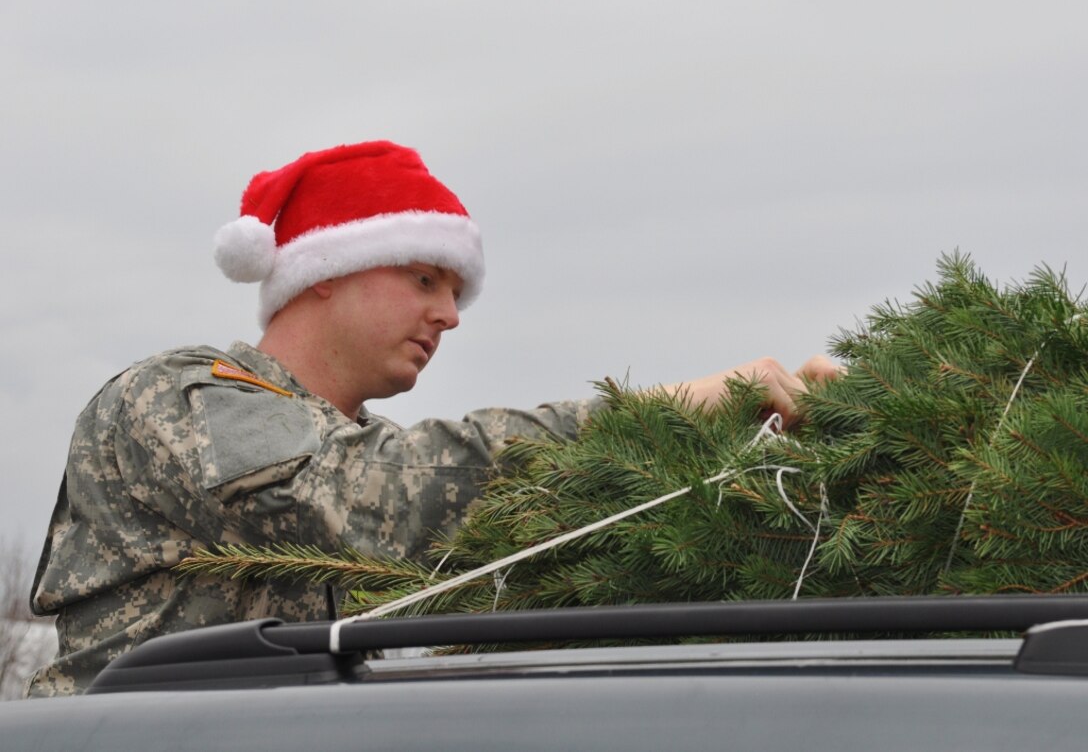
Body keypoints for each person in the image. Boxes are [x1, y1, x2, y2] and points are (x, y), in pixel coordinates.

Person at [25, 141, 838, 697]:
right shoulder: (173, 399)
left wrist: (776, 452)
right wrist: (658, 414)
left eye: (455, 292)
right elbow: (377, 496)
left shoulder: (357, 444)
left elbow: (528, 545)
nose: (449, 314)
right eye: (423, 280)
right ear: (323, 273)